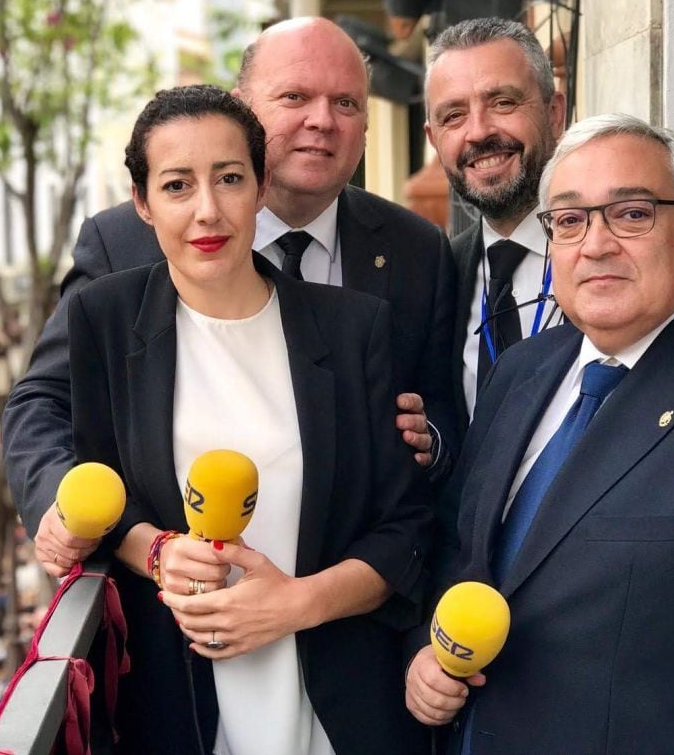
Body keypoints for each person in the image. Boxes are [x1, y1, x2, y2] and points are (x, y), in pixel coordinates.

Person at [3, 17, 458, 576]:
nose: (322, 120)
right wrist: (65, 507)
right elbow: (43, 401)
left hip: (346, 620)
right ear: (244, 108)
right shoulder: (123, 243)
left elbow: (443, 406)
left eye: (346, 103)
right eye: (295, 96)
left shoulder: (418, 250)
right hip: (171, 619)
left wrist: (427, 439)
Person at [404, 115, 674, 752]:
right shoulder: (524, 370)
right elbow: (464, 549)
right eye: (569, 219)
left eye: (633, 214)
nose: (596, 244)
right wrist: (429, 650)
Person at [66, 85, 432, 754]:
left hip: (336, 706)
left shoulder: (353, 327)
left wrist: (297, 603)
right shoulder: (104, 321)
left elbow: (405, 529)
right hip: (178, 707)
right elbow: (98, 489)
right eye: (177, 185)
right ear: (142, 202)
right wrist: (156, 551)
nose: (208, 210)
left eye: (230, 178)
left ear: (262, 187)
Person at [423, 17, 674, 425]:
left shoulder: (663, 222)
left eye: (503, 102)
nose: (478, 132)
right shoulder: (440, 268)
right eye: (454, 116)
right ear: (433, 138)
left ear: (554, 113)